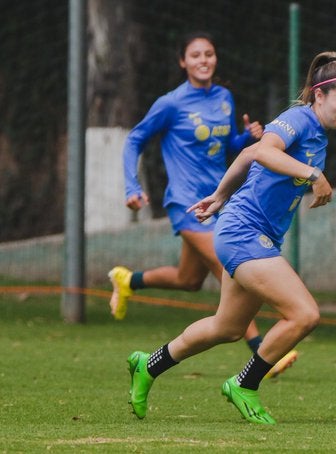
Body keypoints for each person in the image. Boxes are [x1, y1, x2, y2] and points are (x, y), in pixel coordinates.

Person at [125, 51, 336, 424]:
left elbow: (250, 154)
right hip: (243, 233)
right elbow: (265, 150)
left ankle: (148, 365)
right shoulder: (297, 118)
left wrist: (220, 195)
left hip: (250, 231)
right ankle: (244, 384)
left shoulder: (318, 134)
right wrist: (313, 176)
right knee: (304, 314)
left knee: (227, 328)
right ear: (319, 96)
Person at [108, 31, 297, 378]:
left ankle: (128, 281)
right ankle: (263, 354)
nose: (203, 60)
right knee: (230, 267)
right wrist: (132, 186)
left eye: (209, 54)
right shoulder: (170, 103)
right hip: (185, 204)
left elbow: (226, 149)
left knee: (189, 279)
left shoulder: (224, 98)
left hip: (219, 201)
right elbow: (135, 138)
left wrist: (246, 138)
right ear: (183, 62)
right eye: (195, 55)